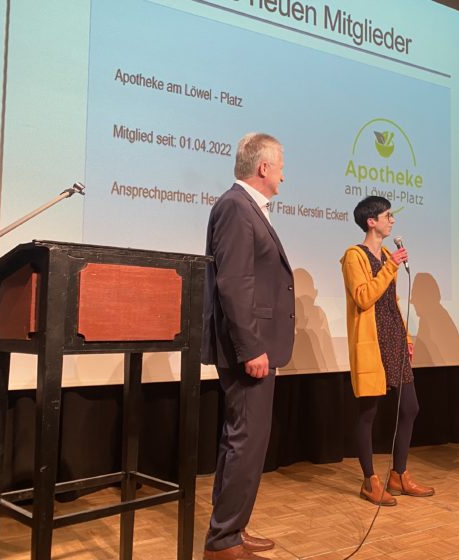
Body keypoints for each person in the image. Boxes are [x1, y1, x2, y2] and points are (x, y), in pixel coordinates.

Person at [201, 133, 295, 560]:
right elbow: (233, 283)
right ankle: (223, 542)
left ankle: (230, 529)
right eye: (279, 166)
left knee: (241, 440)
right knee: (246, 440)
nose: (282, 173)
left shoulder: (244, 208)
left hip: (252, 345)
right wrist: (251, 347)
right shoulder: (237, 207)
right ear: (263, 168)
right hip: (249, 348)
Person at [341, 196, 435, 506]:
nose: (391, 220)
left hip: (393, 336)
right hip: (372, 341)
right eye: (387, 215)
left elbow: (391, 303)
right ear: (371, 221)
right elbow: (364, 297)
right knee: (368, 413)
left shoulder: (384, 254)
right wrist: (390, 267)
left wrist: (406, 334)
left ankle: (399, 475)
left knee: (410, 407)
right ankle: (370, 481)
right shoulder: (354, 256)